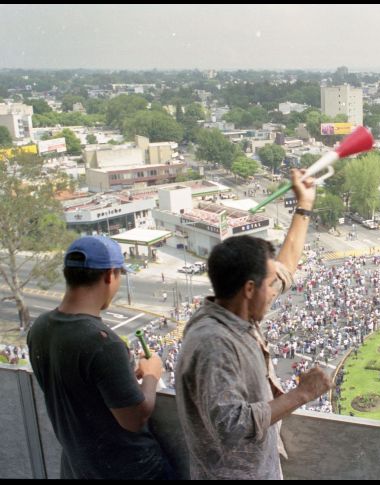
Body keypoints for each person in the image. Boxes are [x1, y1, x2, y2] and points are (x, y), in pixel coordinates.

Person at [176, 169, 332, 480]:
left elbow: (284, 268)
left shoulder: (234, 311)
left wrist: (304, 206)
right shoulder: (214, 344)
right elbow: (231, 425)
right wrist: (302, 394)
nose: (275, 290)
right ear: (250, 288)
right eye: (270, 285)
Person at [27, 236, 169, 479]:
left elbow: (81, 393)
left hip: (78, 468)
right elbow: (135, 418)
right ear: (109, 275)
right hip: (129, 470)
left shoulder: (39, 329)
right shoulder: (103, 342)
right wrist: (151, 374)